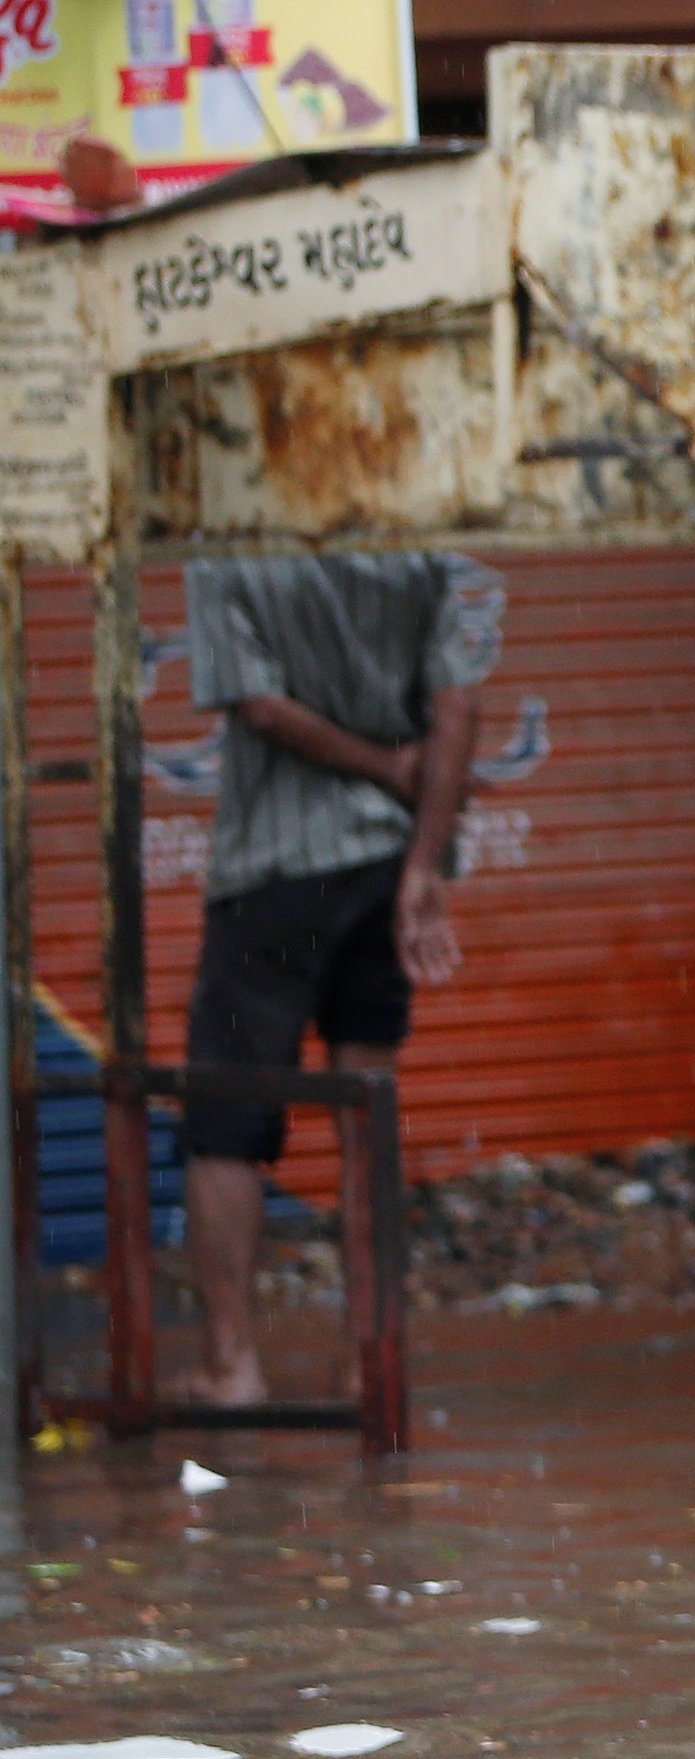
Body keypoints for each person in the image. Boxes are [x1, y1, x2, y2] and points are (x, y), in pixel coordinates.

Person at [181, 552, 502, 1406]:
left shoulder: (227, 551)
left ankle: (231, 1365)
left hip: (271, 872)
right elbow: (460, 706)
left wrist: (376, 766)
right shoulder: (411, 552)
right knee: (368, 1110)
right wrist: (424, 869)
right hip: (383, 865)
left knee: (227, 1120)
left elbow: (260, 705)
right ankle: (369, 1360)